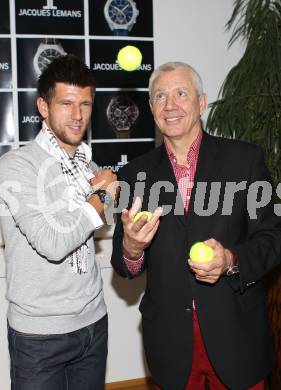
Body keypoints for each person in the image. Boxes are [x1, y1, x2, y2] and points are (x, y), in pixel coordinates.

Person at [111, 62, 281, 390]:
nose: (170, 104)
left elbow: (273, 235)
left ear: (201, 102)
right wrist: (132, 247)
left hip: (236, 334)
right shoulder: (134, 174)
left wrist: (231, 260)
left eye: (181, 93)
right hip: (170, 341)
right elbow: (124, 265)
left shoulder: (244, 160)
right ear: (150, 108)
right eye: (160, 96)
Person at [0, 54, 118, 390]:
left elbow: (94, 225)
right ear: (43, 107)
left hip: (93, 323)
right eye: (66, 103)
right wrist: (101, 197)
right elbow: (53, 243)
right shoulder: (16, 166)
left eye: (85, 104)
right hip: (40, 335)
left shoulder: (89, 167)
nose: (78, 115)